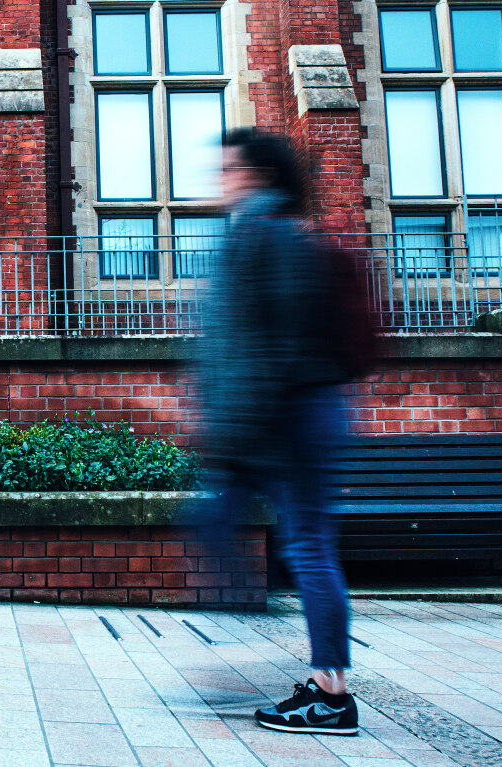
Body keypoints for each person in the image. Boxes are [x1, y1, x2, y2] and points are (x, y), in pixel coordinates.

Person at [195, 128, 358, 736]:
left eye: (229, 168)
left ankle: (331, 694)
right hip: (289, 416)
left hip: (292, 418)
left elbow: (271, 350)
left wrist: (237, 439)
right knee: (294, 541)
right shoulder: (263, 233)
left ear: (258, 175)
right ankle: (324, 683)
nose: (220, 179)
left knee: (309, 548)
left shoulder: (267, 236)